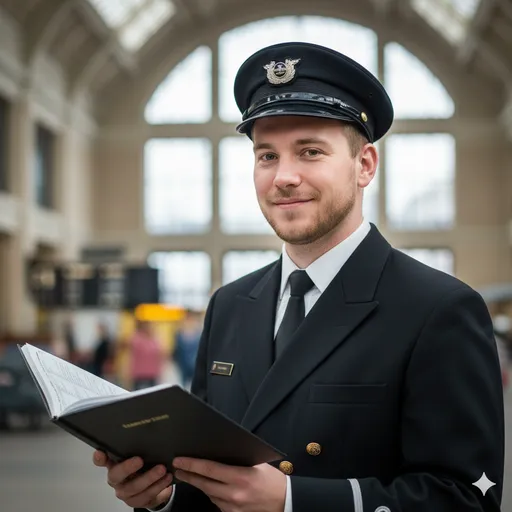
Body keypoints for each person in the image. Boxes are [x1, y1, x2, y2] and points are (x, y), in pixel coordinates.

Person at [93, 42, 505, 512]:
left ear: (364, 165)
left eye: (309, 151)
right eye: (267, 156)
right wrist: (165, 496)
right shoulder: (230, 304)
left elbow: (465, 499)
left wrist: (293, 500)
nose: (283, 177)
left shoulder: (438, 309)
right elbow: (211, 477)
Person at [172, 309, 203, 388]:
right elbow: (177, 350)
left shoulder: (199, 333)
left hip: (195, 365)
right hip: (183, 364)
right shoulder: (179, 333)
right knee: (184, 385)